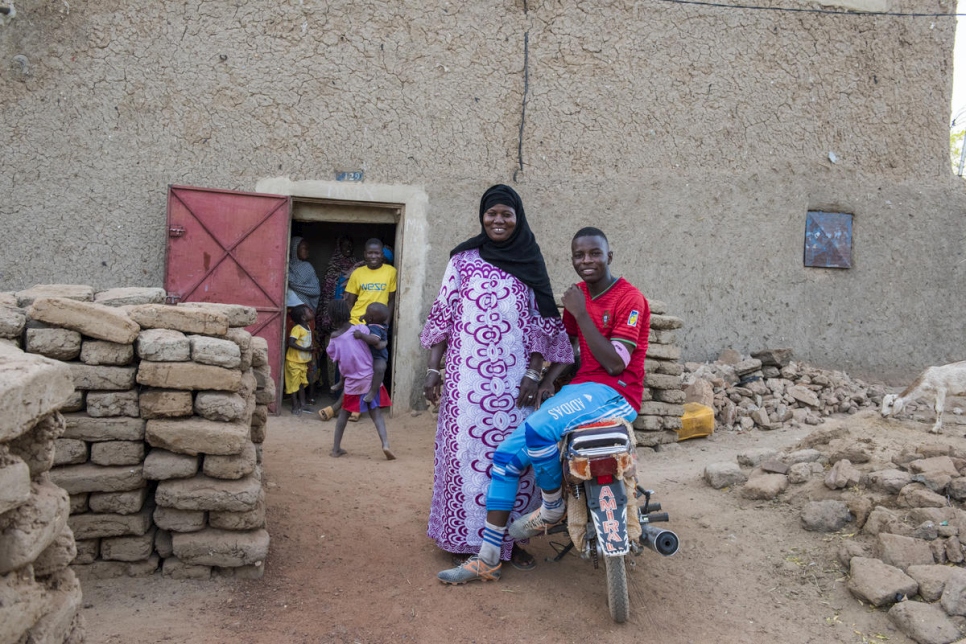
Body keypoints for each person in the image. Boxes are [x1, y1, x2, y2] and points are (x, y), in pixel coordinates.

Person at [436, 226, 650, 584]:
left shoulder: (629, 299)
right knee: (504, 458)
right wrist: (547, 380)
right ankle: (488, 559)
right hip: (580, 390)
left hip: (615, 391)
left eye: (594, 254)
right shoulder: (579, 295)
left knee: (538, 429)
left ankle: (551, 508)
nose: (587, 261)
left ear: (609, 256)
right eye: (579, 255)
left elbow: (614, 364)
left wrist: (581, 313)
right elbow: (569, 351)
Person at [420, 184, 574, 571]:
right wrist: (433, 370)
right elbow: (444, 316)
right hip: (464, 384)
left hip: (514, 386)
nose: (499, 220)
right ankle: (462, 538)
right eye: (492, 213)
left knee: (514, 462)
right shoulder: (462, 260)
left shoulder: (530, 260)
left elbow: (543, 323)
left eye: (507, 214)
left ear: (518, 217)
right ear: (481, 217)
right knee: (464, 457)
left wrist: (534, 373)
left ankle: (508, 544)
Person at [325, 298, 395, 460]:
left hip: (352, 381)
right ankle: (385, 444)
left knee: (344, 414)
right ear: (348, 313)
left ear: (331, 317)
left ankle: (336, 449)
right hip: (369, 378)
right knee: (376, 414)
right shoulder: (362, 329)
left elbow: (333, 356)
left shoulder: (334, 338)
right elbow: (373, 343)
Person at [316, 235, 357, 392]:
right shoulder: (332, 267)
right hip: (332, 317)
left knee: (348, 356)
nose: (348, 249)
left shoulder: (357, 267)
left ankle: (346, 392)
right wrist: (329, 316)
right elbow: (326, 295)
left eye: (350, 246)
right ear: (339, 247)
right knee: (333, 356)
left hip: (349, 317)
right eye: (345, 246)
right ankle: (334, 391)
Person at [344, 238, 397, 326]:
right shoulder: (357, 273)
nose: (373, 256)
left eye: (376, 253)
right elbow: (350, 302)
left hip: (378, 323)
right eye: (370, 253)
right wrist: (347, 324)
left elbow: (391, 301)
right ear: (365, 254)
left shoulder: (391, 272)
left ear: (382, 254)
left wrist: (386, 323)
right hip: (356, 321)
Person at [353, 302, 390, 404]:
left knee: (379, 369)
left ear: (371, 319)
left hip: (378, 356)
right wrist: (364, 317)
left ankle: (373, 391)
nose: (365, 314)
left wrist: (361, 336)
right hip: (368, 355)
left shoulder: (376, 328)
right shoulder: (375, 321)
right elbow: (368, 318)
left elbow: (375, 340)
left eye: (367, 313)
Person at [284, 306, 314, 415]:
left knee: (301, 384)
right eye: (309, 311)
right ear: (303, 317)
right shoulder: (297, 329)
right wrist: (305, 349)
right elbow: (291, 343)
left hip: (302, 362)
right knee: (294, 385)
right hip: (294, 361)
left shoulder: (308, 326)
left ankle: (303, 405)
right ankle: (294, 405)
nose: (311, 312)